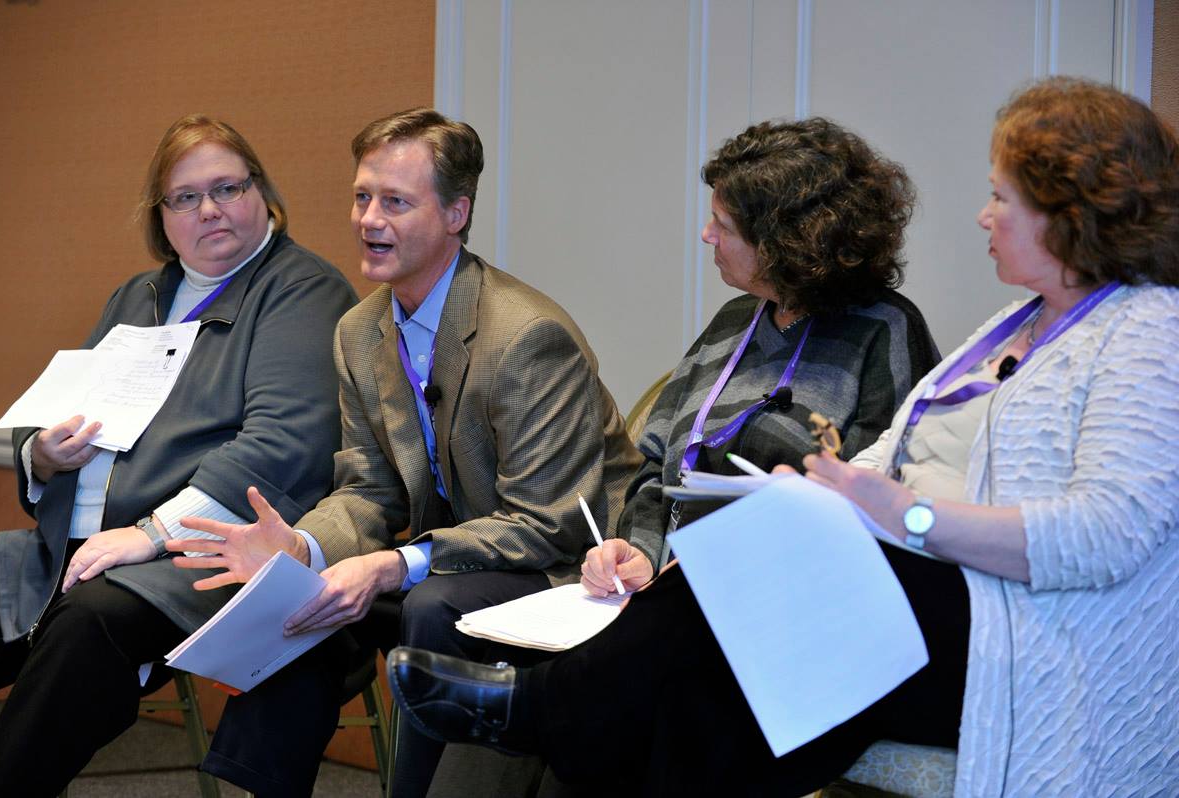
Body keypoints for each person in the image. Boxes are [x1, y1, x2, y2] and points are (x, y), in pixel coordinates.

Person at [388, 77, 1179, 796]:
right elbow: (878, 458)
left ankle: (541, 707)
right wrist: (820, 494)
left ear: (1072, 213)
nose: (984, 215)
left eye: (1002, 198)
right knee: (704, 694)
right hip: (918, 597)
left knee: (740, 582)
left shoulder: (1145, 334)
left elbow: (1104, 535)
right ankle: (554, 710)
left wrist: (902, 514)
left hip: (1017, 635)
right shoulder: (1015, 324)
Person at [171, 107, 641, 798]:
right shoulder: (360, 331)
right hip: (449, 559)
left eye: (395, 202)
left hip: (568, 569)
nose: (368, 219)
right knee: (305, 602)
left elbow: (549, 522)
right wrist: (302, 549)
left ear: (456, 213)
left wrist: (396, 563)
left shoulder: (526, 336)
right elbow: (367, 490)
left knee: (429, 607)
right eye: (362, 197)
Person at [0, 114, 357, 796]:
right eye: (185, 196)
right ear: (162, 215)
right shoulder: (139, 294)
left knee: (86, 630)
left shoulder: (303, 290)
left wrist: (147, 536)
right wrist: (43, 455)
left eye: (227, 187)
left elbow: (280, 450)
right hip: (67, 547)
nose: (208, 208)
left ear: (262, 194)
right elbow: (49, 418)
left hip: (195, 557)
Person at [581, 116, 938, 596]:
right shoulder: (735, 320)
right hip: (669, 593)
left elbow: (872, 499)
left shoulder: (884, 329)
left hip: (792, 596)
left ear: (785, 245)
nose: (707, 235)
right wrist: (638, 553)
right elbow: (654, 464)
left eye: (723, 225)